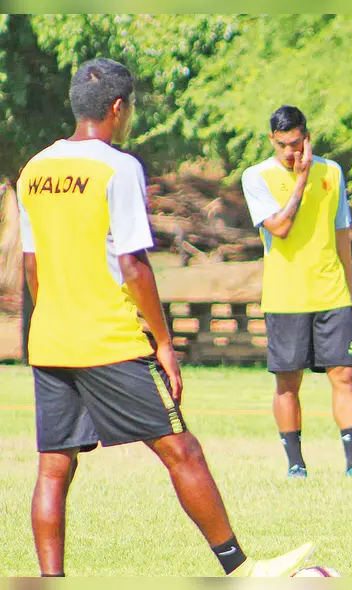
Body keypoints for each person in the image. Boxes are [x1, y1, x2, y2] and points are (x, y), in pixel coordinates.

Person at [15, 58, 314, 576]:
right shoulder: (119, 166)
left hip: (51, 339)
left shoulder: (34, 170)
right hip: (108, 339)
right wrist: (164, 343)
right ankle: (241, 572)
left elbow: (31, 265)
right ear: (117, 108)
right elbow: (134, 265)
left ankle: (49, 581)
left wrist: (52, 320)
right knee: (181, 449)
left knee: (54, 467)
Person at [241, 106, 352, 480]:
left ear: (308, 136)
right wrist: (301, 180)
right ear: (272, 140)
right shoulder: (256, 177)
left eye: (298, 143)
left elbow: (341, 233)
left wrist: (350, 290)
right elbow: (280, 228)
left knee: (345, 376)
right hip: (285, 297)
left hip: (330, 292)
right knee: (288, 383)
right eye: (284, 144)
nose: (292, 152)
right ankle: (296, 466)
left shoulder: (332, 172)